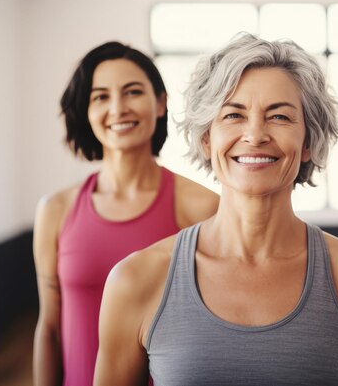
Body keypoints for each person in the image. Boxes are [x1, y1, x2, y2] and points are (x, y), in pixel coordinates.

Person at [94, 34, 338, 386]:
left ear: (309, 141)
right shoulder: (135, 280)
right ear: (207, 139)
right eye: (234, 114)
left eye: (279, 116)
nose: (254, 135)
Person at [32, 41, 219, 386]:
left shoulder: (202, 206)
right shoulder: (55, 210)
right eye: (101, 96)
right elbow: (50, 329)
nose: (118, 108)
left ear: (160, 103)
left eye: (132, 92)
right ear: (86, 111)